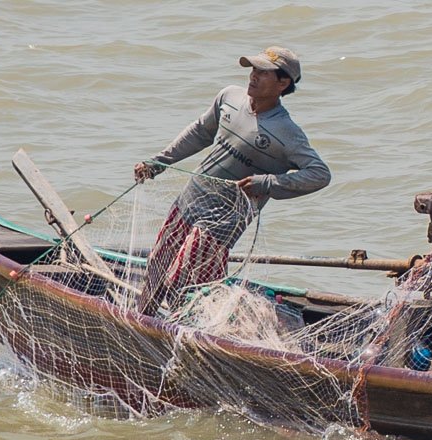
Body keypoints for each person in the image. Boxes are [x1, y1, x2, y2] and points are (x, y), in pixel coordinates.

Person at [133, 46, 331, 316]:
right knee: (158, 263)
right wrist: (158, 162)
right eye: (253, 69)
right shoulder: (229, 97)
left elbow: (319, 174)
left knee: (183, 280)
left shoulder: (287, 132)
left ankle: (183, 334)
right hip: (190, 201)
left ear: (283, 83)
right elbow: (200, 132)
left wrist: (267, 183)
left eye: (264, 73)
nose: (254, 76)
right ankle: (141, 319)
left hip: (222, 222)